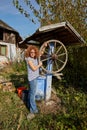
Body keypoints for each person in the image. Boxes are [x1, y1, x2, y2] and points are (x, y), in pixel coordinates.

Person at [25, 45, 42, 119]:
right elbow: (34, 68)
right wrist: (40, 65)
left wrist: (44, 45)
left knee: (30, 93)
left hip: (33, 78)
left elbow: (41, 53)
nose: (33, 53)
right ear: (29, 52)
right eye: (31, 52)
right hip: (32, 79)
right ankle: (33, 110)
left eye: (34, 52)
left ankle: (29, 105)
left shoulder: (34, 57)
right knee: (32, 94)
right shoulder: (29, 59)